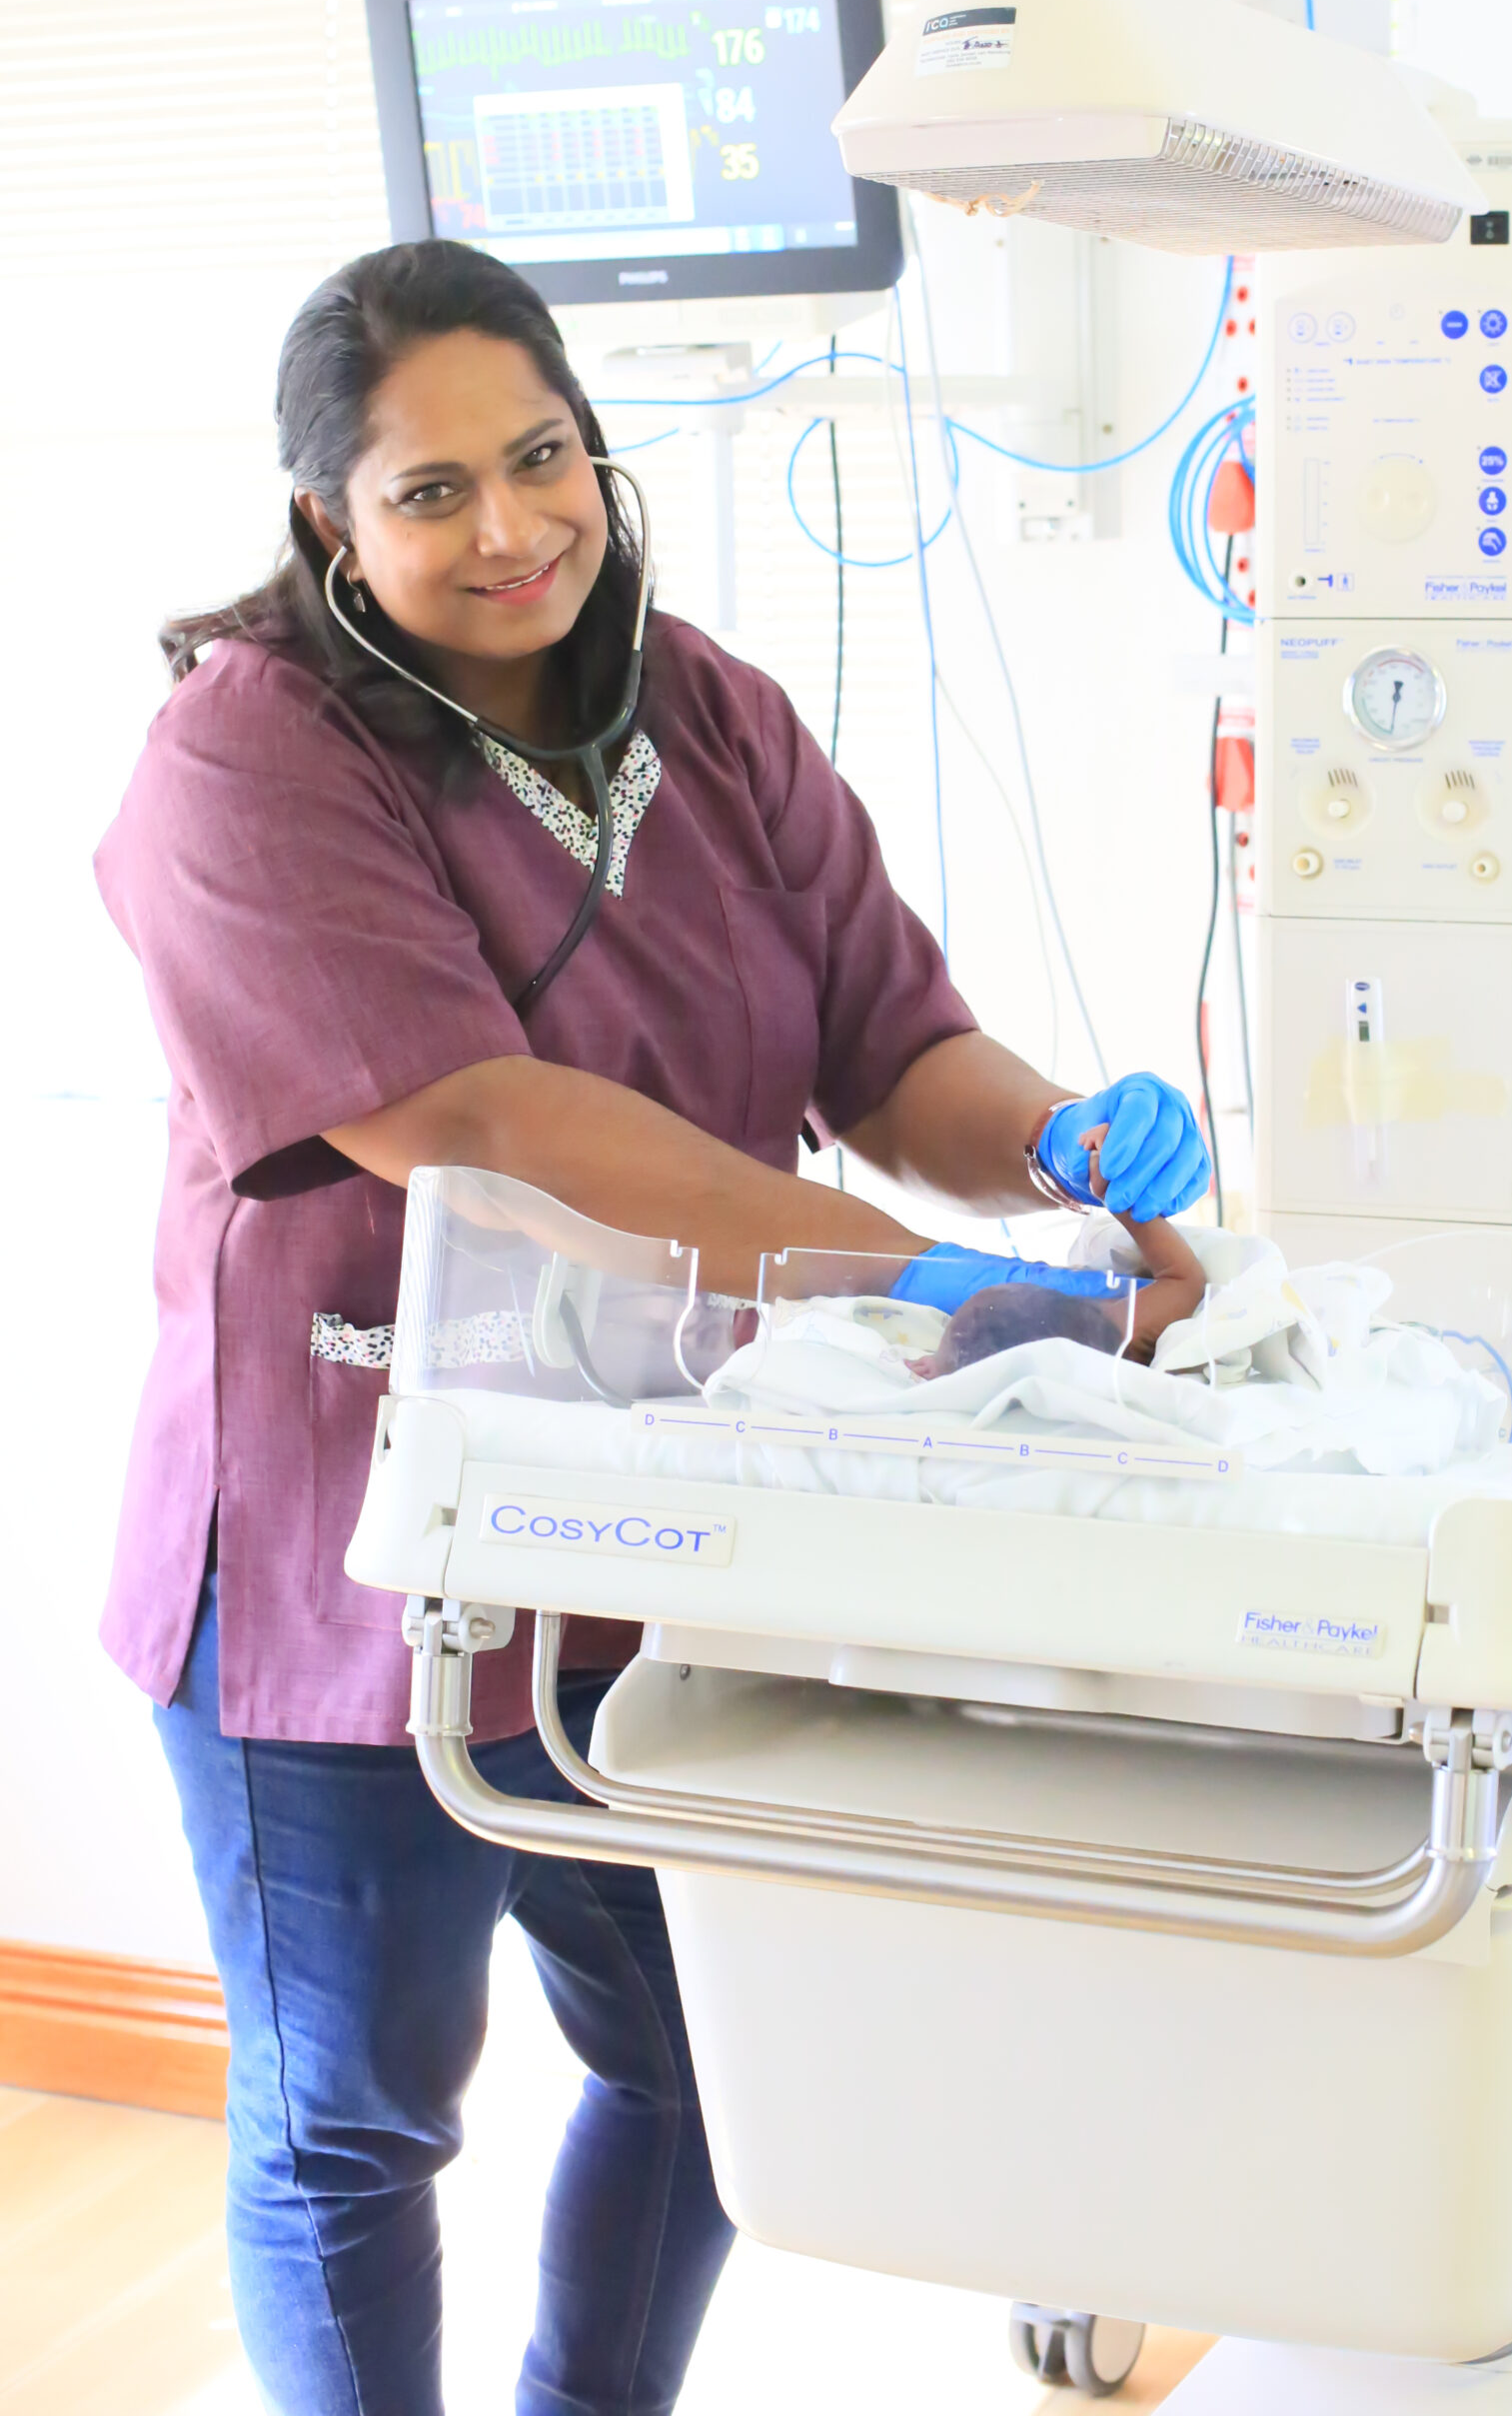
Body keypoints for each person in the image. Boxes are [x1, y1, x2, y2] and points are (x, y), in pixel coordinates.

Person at [95, 238, 1209, 2416]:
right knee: (354, 2119)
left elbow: (897, 1049)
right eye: (431, 491)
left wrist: (1055, 1135)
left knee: (715, 2069)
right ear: (330, 516)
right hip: (349, 1553)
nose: (511, 528)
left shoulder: (702, 709)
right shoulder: (245, 757)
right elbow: (483, 1120)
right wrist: (890, 1276)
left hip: (660, 1540)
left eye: (543, 459)